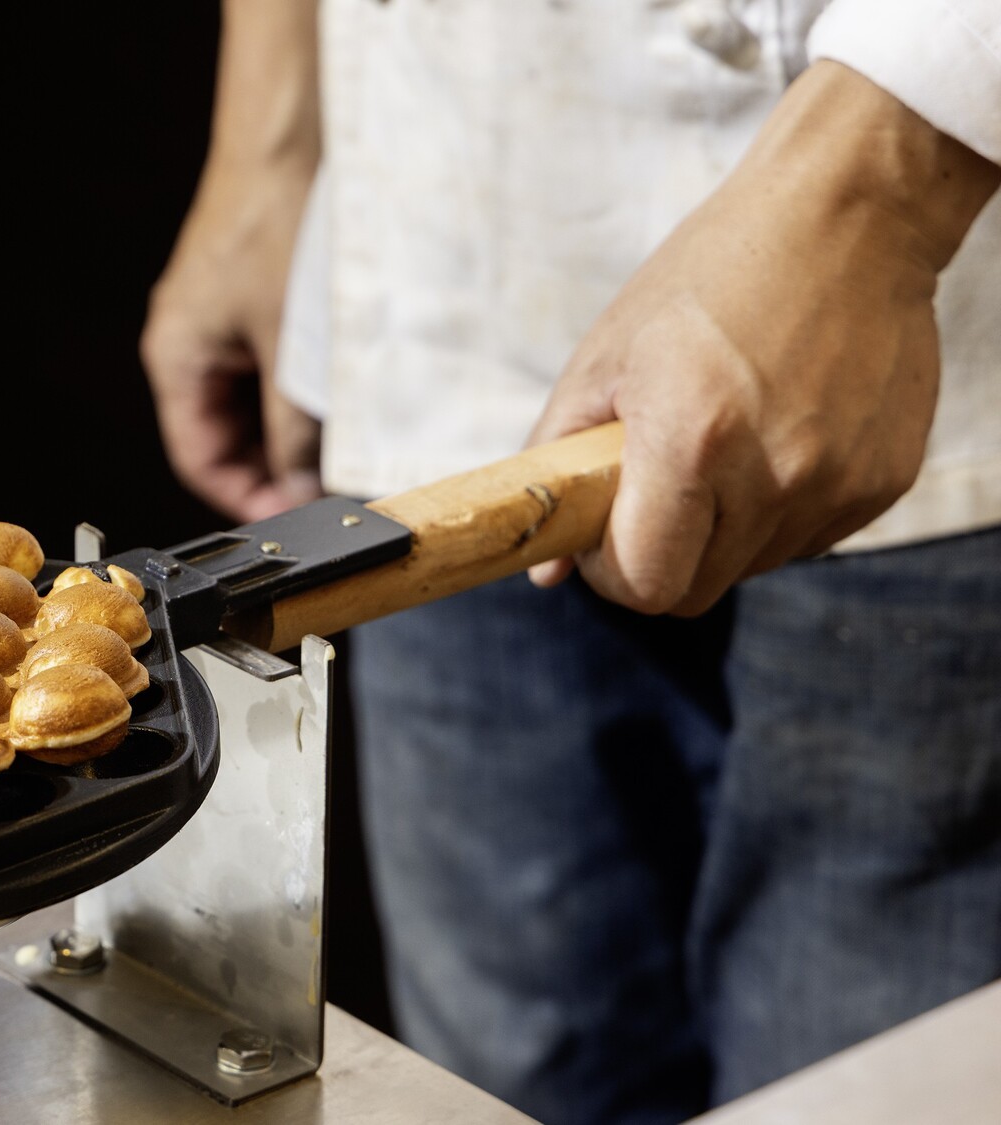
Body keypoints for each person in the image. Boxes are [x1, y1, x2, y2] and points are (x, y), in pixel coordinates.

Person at [140, 2, 1001, 1123]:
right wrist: (271, 136)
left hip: (929, 323)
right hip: (445, 262)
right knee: (501, 1088)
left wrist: (877, 191)